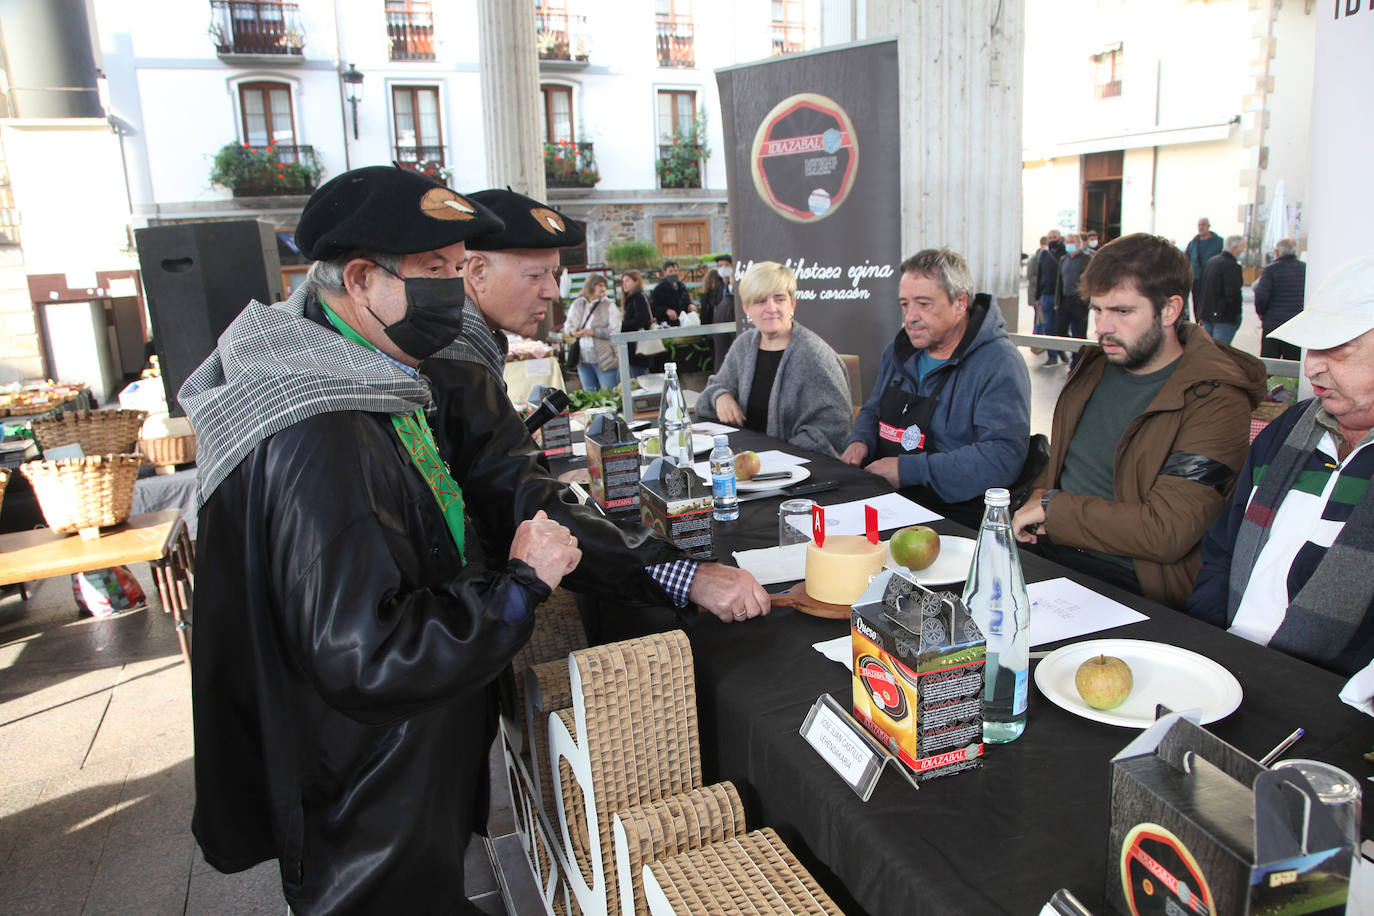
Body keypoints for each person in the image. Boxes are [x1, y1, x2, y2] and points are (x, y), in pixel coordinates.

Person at [180, 166, 769, 915]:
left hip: (389, 757)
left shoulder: (361, 371)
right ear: (361, 280)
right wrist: (520, 586)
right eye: (436, 272)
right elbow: (366, 652)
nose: (453, 294)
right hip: (368, 773)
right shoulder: (321, 423)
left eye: (458, 271)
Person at [1011, 232, 1266, 610]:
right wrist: (1038, 498)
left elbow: (1168, 531)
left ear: (1169, 310)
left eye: (1123, 311)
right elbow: (1066, 465)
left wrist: (1053, 508)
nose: (1103, 327)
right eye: (1097, 310)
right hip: (1051, 556)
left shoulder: (1216, 398)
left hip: (1135, 583)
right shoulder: (1094, 365)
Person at [1186, 255, 1374, 695]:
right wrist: (1206, 641)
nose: (1311, 367)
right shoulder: (1290, 429)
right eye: (1312, 348)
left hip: (1330, 703)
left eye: (1338, 351)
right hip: (1222, 670)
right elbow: (1221, 548)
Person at [841, 247, 1031, 528]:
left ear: (960, 302)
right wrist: (860, 440)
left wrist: (907, 470)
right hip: (888, 503)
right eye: (905, 304)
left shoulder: (1000, 363)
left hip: (955, 519)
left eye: (924, 304)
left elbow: (1001, 457)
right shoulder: (898, 351)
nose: (911, 317)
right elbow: (873, 409)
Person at [695, 260, 851, 456]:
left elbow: (834, 428)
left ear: (792, 303)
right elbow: (705, 400)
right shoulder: (743, 345)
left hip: (799, 471)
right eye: (760, 301)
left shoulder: (815, 356)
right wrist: (720, 396)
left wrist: (775, 457)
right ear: (746, 308)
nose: (771, 308)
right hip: (745, 464)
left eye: (779, 299)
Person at [437, 187, 576, 386]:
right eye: (535, 275)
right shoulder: (452, 359)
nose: (553, 293)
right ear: (478, 271)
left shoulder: (470, 346)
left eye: (552, 274)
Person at [564, 273, 621, 391]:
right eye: (600, 285)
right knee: (590, 395)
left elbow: (616, 331)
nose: (603, 288)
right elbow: (567, 324)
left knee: (609, 394)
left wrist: (594, 332)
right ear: (590, 286)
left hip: (605, 359)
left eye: (605, 285)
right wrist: (572, 331)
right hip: (583, 360)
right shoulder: (577, 304)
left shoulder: (609, 305)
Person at [1253, 237, 1306, 360]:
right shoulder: (1305, 269)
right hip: (1296, 324)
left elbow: (1261, 295)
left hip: (1273, 324)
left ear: (1277, 252)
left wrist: (1260, 312)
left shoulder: (1271, 270)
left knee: (1270, 363)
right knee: (1293, 364)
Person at [1197, 234, 1245, 344]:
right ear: (1235, 248)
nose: (1243, 251)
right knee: (1220, 353)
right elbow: (1233, 294)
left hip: (1208, 315)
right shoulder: (1232, 265)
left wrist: (1201, 313)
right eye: (1242, 247)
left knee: (1207, 351)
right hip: (1224, 317)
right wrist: (1236, 315)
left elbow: (1200, 289)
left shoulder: (1210, 262)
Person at [1055, 232, 1092, 368]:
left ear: (1078, 243)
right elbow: (1059, 281)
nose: (1069, 245)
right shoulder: (1063, 260)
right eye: (1067, 242)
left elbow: (1090, 280)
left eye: (1072, 242)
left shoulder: (1086, 259)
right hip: (1065, 301)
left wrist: (1087, 301)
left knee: (1080, 334)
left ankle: (1077, 364)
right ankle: (1066, 351)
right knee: (1059, 330)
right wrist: (1057, 302)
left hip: (1079, 302)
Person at [1036, 229, 1067, 364]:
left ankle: (1061, 351)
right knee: (1048, 326)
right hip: (1046, 295)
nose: (1052, 240)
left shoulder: (1065, 254)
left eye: (1054, 237)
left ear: (1060, 238)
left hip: (1060, 296)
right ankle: (1052, 356)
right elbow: (1039, 275)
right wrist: (1037, 297)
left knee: (1060, 327)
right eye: (1049, 237)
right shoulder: (1043, 255)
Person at [1185, 217, 1223, 321]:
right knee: (1197, 304)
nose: (1201, 227)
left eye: (1203, 225)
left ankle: (1208, 324)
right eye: (1199, 225)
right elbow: (1186, 259)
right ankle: (1199, 324)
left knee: (1209, 304)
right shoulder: (1193, 243)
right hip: (1196, 280)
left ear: (1208, 226)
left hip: (1212, 280)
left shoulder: (1218, 242)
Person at [618, 269, 654, 378]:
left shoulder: (638, 298)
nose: (624, 284)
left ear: (636, 281)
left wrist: (620, 326)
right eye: (623, 281)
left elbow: (640, 321)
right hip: (634, 346)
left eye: (627, 281)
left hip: (637, 347)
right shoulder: (632, 298)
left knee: (639, 378)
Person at [650, 259, 690, 326]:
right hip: (666, 324)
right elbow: (653, 309)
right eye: (670, 271)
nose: (674, 273)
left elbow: (687, 302)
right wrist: (666, 311)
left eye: (675, 271)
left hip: (683, 322)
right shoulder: (659, 289)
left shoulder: (682, 287)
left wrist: (690, 305)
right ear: (665, 273)